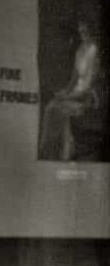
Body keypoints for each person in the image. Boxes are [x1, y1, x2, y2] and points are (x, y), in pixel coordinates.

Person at [39, 19, 105, 161]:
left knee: (54, 109)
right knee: (51, 107)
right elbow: (74, 78)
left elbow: (92, 82)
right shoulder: (80, 49)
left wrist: (70, 97)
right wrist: (65, 91)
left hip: (88, 97)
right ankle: (55, 151)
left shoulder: (95, 49)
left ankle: (58, 151)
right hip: (76, 92)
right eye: (81, 30)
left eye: (85, 30)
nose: (83, 33)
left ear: (91, 30)